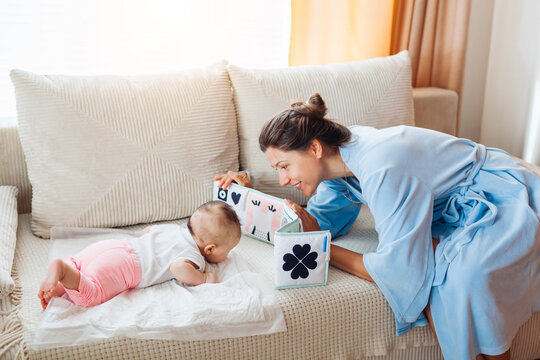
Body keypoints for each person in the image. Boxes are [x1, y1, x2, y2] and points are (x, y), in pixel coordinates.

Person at [215, 93, 540, 360]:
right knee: (445, 279)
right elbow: (319, 225)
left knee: (469, 278)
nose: (283, 180)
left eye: (284, 167)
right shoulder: (336, 168)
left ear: (314, 148)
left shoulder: (380, 165)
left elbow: (400, 269)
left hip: (497, 195)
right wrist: (246, 193)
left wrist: (324, 253)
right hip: (453, 210)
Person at [38, 201, 241, 309]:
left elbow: (147, 231)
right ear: (210, 249)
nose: (228, 255)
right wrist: (203, 278)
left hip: (118, 246)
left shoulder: (174, 229)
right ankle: (62, 270)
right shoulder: (194, 256)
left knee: (81, 266)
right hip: (128, 266)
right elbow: (178, 268)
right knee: (91, 295)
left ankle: (61, 282)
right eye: (228, 250)